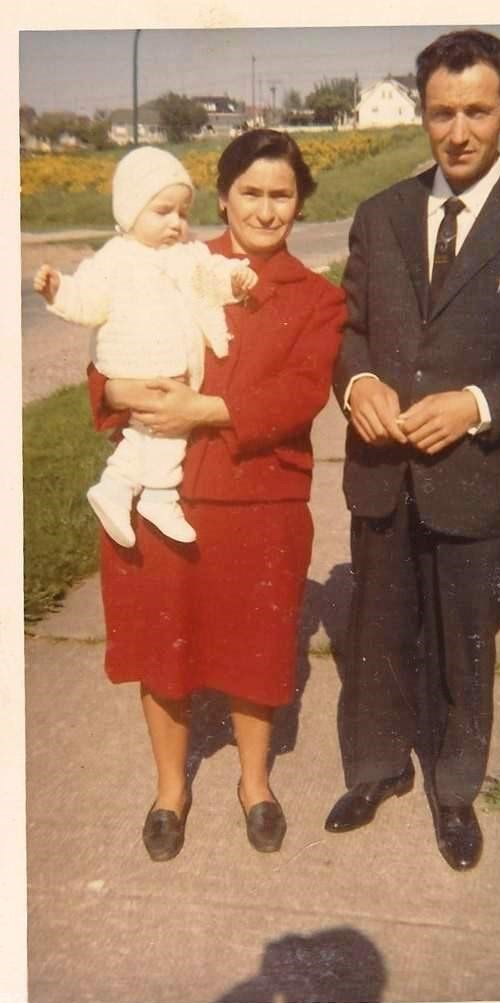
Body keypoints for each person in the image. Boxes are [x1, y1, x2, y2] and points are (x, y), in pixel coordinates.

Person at [325, 29, 500, 871]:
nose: (460, 131)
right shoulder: (382, 214)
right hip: (382, 475)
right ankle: (375, 769)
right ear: (423, 114)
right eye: (442, 113)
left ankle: (453, 790)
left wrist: (477, 404)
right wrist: (358, 382)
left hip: (476, 480)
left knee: (465, 639)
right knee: (377, 630)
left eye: (478, 110)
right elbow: (350, 330)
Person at [86, 130, 345, 860]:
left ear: (300, 202)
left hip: (261, 501)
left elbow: (300, 394)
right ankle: (171, 789)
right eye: (251, 193)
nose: (266, 210)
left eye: (282, 195)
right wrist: (113, 389)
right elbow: (104, 359)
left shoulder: (319, 298)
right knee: (159, 647)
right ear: (224, 196)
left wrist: (207, 411)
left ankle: (254, 783)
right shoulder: (161, 266)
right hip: (159, 498)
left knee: (257, 650)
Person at [34, 146, 258, 548]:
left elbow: (211, 274)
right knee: (166, 431)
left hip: (172, 363)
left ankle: (116, 486)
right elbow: (89, 299)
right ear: (130, 211)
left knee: (146, 433)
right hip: (137, 363)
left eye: (183, 214)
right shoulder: (114, 260)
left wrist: (235, 279)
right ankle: (159, 496)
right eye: (163, 211)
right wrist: (59, 291)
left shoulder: (186, 256)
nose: (176, 222)